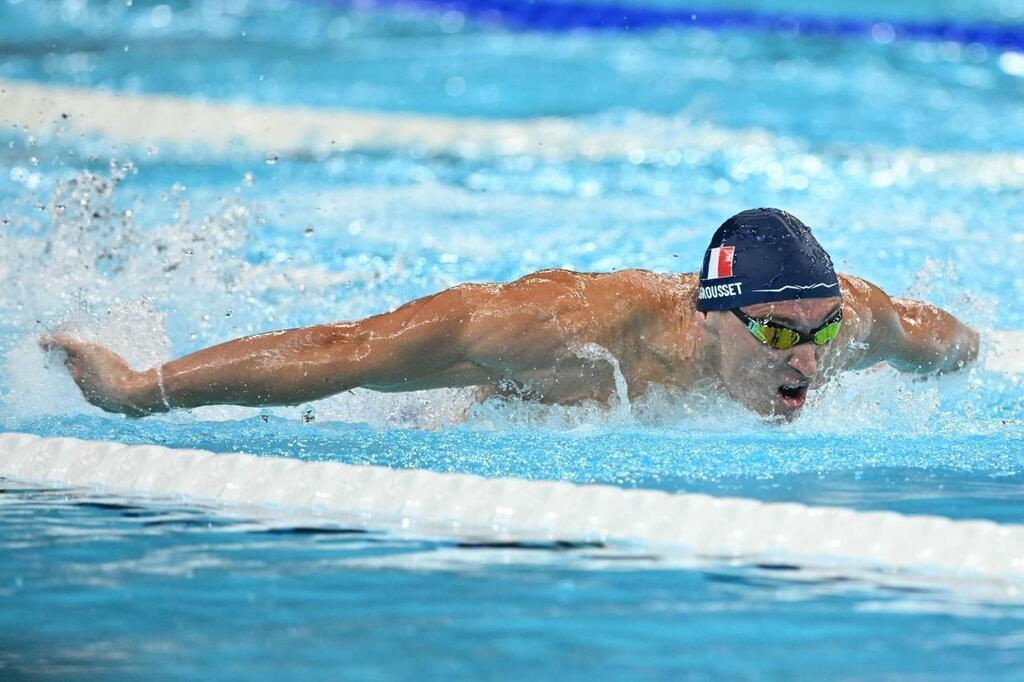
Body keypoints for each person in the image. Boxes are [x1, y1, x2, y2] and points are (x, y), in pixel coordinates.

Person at [41, 208, 979, 420]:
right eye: (778, 332)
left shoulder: (840, 320)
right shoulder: (569, 331)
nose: (809, 362)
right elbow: (347, 350)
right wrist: (137, 391)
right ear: (710, 314)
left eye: (817, 332)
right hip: (466, 409)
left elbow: (944, 342)